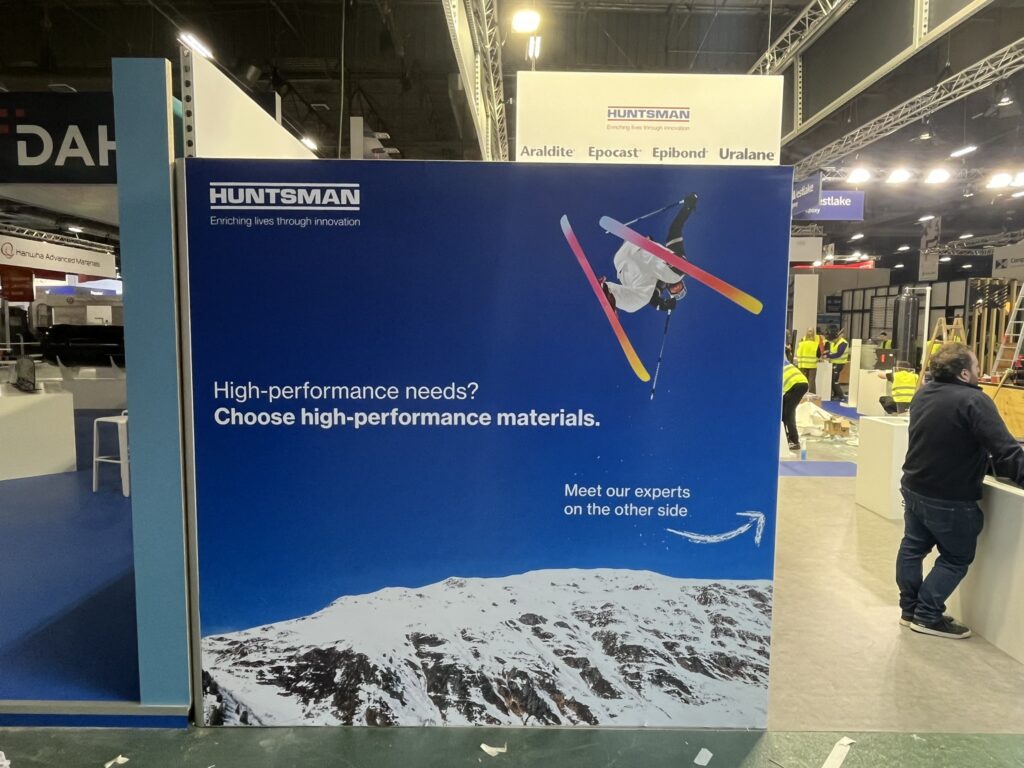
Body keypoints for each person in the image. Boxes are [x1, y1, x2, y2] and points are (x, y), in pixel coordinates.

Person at [898, 343, 1024, 638]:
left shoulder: (923, 394)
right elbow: (1006, 451)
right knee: (956, 557)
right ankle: (927, 615)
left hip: (914, 486)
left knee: (912, 549)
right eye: (977, 367)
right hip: (949, 497)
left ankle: (910, 610)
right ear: (965, 373)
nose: (981, 371)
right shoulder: (974, 400)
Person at [601, 194, 697, 314]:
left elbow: (653, 299)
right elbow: (675, 229)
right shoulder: (673, 272)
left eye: (674, 291)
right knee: (678, 273)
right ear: (683, 284)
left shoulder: (658, 284)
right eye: (680, 288)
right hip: (638, 249)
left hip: (623, 264)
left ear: (668, 290)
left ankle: (609, 292)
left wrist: (662, 305)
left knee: (638, 303)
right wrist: (687, 209)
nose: (676, 288)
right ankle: (673, 262)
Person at [782, 359, 809, 452]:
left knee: (788, 413)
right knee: (784, 412)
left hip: (796, 386)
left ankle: (794, 441)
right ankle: (785, 437)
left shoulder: (775, 365)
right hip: (800, 384)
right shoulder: (783, 361)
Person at [825, 327, 849, 400]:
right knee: (833, 379)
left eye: (833, 340)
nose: (832, 341)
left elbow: (838, 354)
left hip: (839, 364)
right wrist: (827, 353)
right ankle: (836, 395)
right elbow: (831, 351)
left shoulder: (843, 343)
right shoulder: (833, 342)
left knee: (834, 380)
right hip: (833, 363)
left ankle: (841, 396)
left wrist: (828, 355)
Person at [795, 329, 819, 394]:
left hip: (802, 365)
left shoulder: (801, 343)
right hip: (812, 365)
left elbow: (797, 353)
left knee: (802, 381)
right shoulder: (815, 344)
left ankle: (801, 394)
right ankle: (812, 395)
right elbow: (818, 355)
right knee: (811, 382)